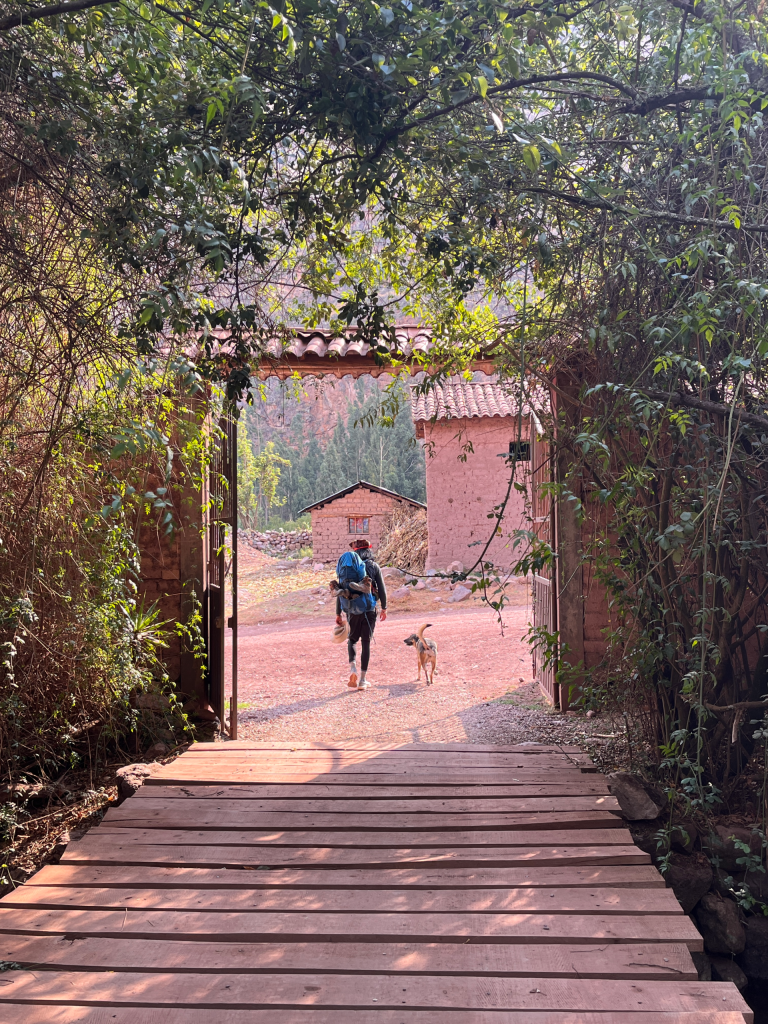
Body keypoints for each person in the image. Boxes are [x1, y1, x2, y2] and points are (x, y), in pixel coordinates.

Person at [335, 538, 387, 690]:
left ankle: (353, 669)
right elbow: (382, 589)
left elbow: (341, 590)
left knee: (352, 640)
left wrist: (338, 613)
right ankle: (363, 680)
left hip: (351, 608)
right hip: (369, 609)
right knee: (365, 642)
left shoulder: (348, 568)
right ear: (369, 550)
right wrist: (384, 608)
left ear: (355, 552)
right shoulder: (373, 566)